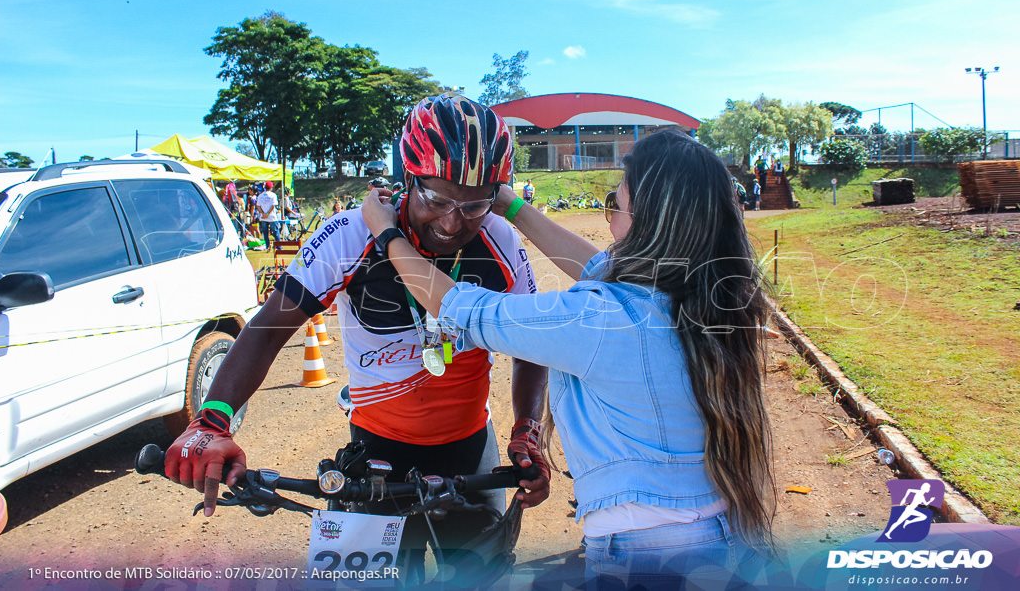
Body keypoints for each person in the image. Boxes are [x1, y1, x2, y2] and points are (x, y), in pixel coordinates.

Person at [362, 129, 776, 587]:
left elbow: (463, 309)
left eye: (614, 200)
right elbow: (601, 267)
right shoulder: (700, 292)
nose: (611, 204)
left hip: (647, 552)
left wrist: (385, 232)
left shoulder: (600, 319)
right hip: (718, 529)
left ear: (646, 219)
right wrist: (511, 206)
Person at [164, 93, 550, 583]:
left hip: (470, 448)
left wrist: (527, 430)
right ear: (407, 178)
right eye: (436, 200)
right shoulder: (350, 234)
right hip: (377, 451)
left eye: (473, 205)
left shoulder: (500, 238)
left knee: (483, 578)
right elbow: (266, 330)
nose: (453, 223)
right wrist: (213, 422)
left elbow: (531, 347)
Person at [255, 181, 281, 249]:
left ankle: (267, 246)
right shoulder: (273, 195)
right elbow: (273, 206)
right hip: (272, 217)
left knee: (265, 233)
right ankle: (279, 246)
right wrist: (267, 213)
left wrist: (263, 213)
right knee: (276, 231)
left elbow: (258, 206)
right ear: (271, 188)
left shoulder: (260, 195)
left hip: (263, 217)